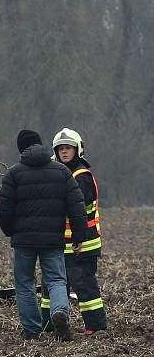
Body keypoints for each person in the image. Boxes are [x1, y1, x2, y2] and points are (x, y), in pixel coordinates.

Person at [0, 129, 88, 341]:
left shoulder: (13, 173)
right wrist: (79, 236)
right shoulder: (62, 172)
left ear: (21, 149)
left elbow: (2, 208)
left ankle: (31, 331)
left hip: (23, 241)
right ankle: (59, 312)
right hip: (53, 240)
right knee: (56, 279)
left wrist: (10, 231)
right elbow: (77, 206)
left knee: (25, 284)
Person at [40, 128, 108, 336]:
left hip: (82, 243)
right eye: (61, 148)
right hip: (60, 242)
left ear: (77, 150)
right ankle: (48, 325)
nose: (64, 152)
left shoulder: (81, 176)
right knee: (50, 285)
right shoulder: (57, 173)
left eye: (68, 148)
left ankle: (95, 326)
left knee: (84, 285)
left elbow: (77, 207)